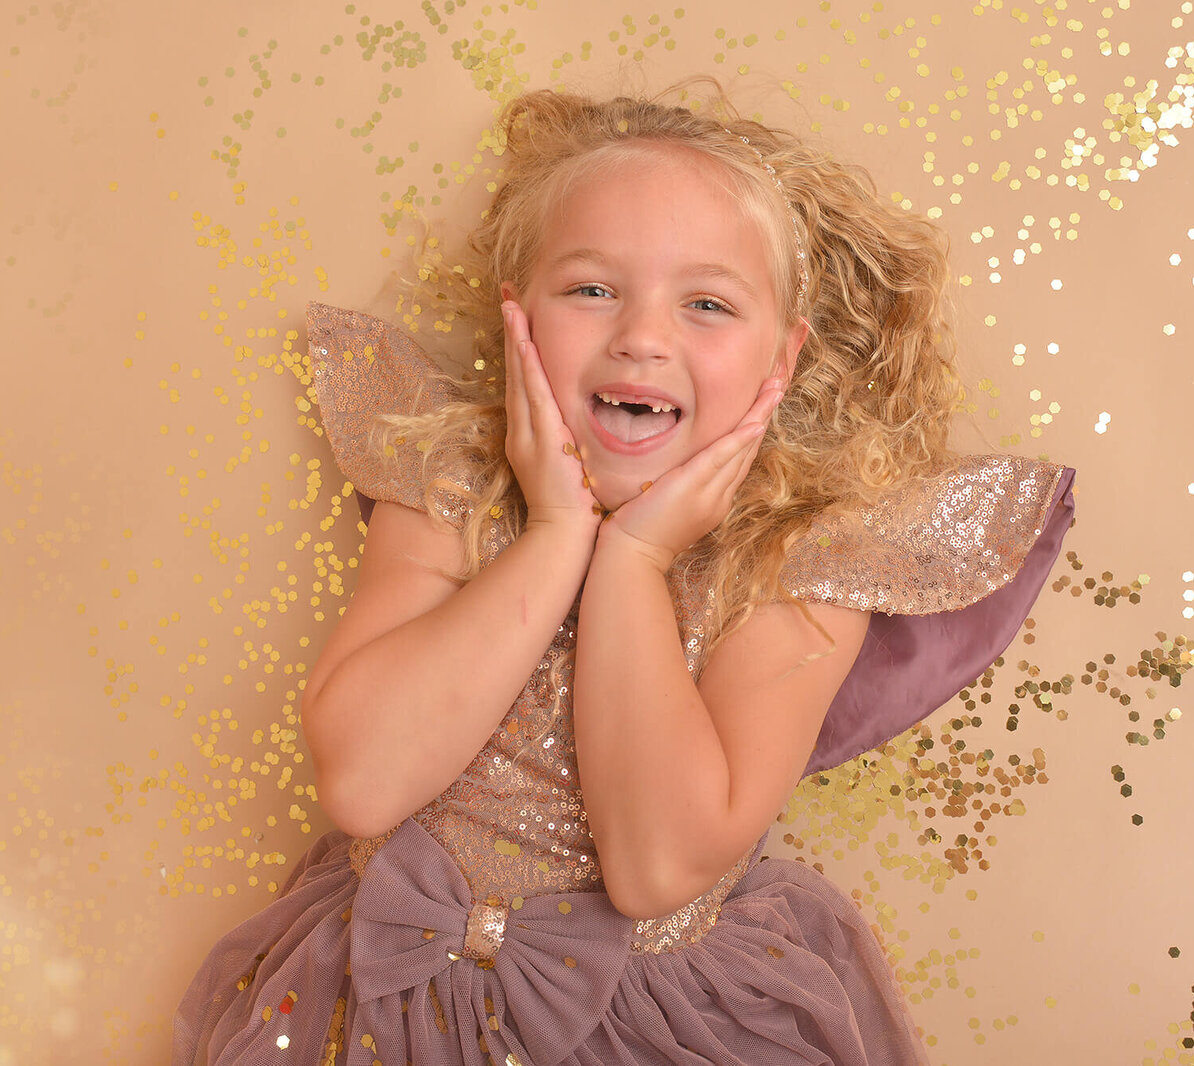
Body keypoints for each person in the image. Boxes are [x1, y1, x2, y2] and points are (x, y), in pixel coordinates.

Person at [173, 81, 1075, 1066]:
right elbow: (363, 779)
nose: (643, 336)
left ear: (783, 355)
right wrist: (559, 528)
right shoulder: (449, 486)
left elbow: (656, 869)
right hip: (387, 1014)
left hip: (665, 1021)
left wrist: (634, 559)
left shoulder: (796, 563)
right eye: (591, 288)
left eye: (707, 304)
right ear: (517, 319)